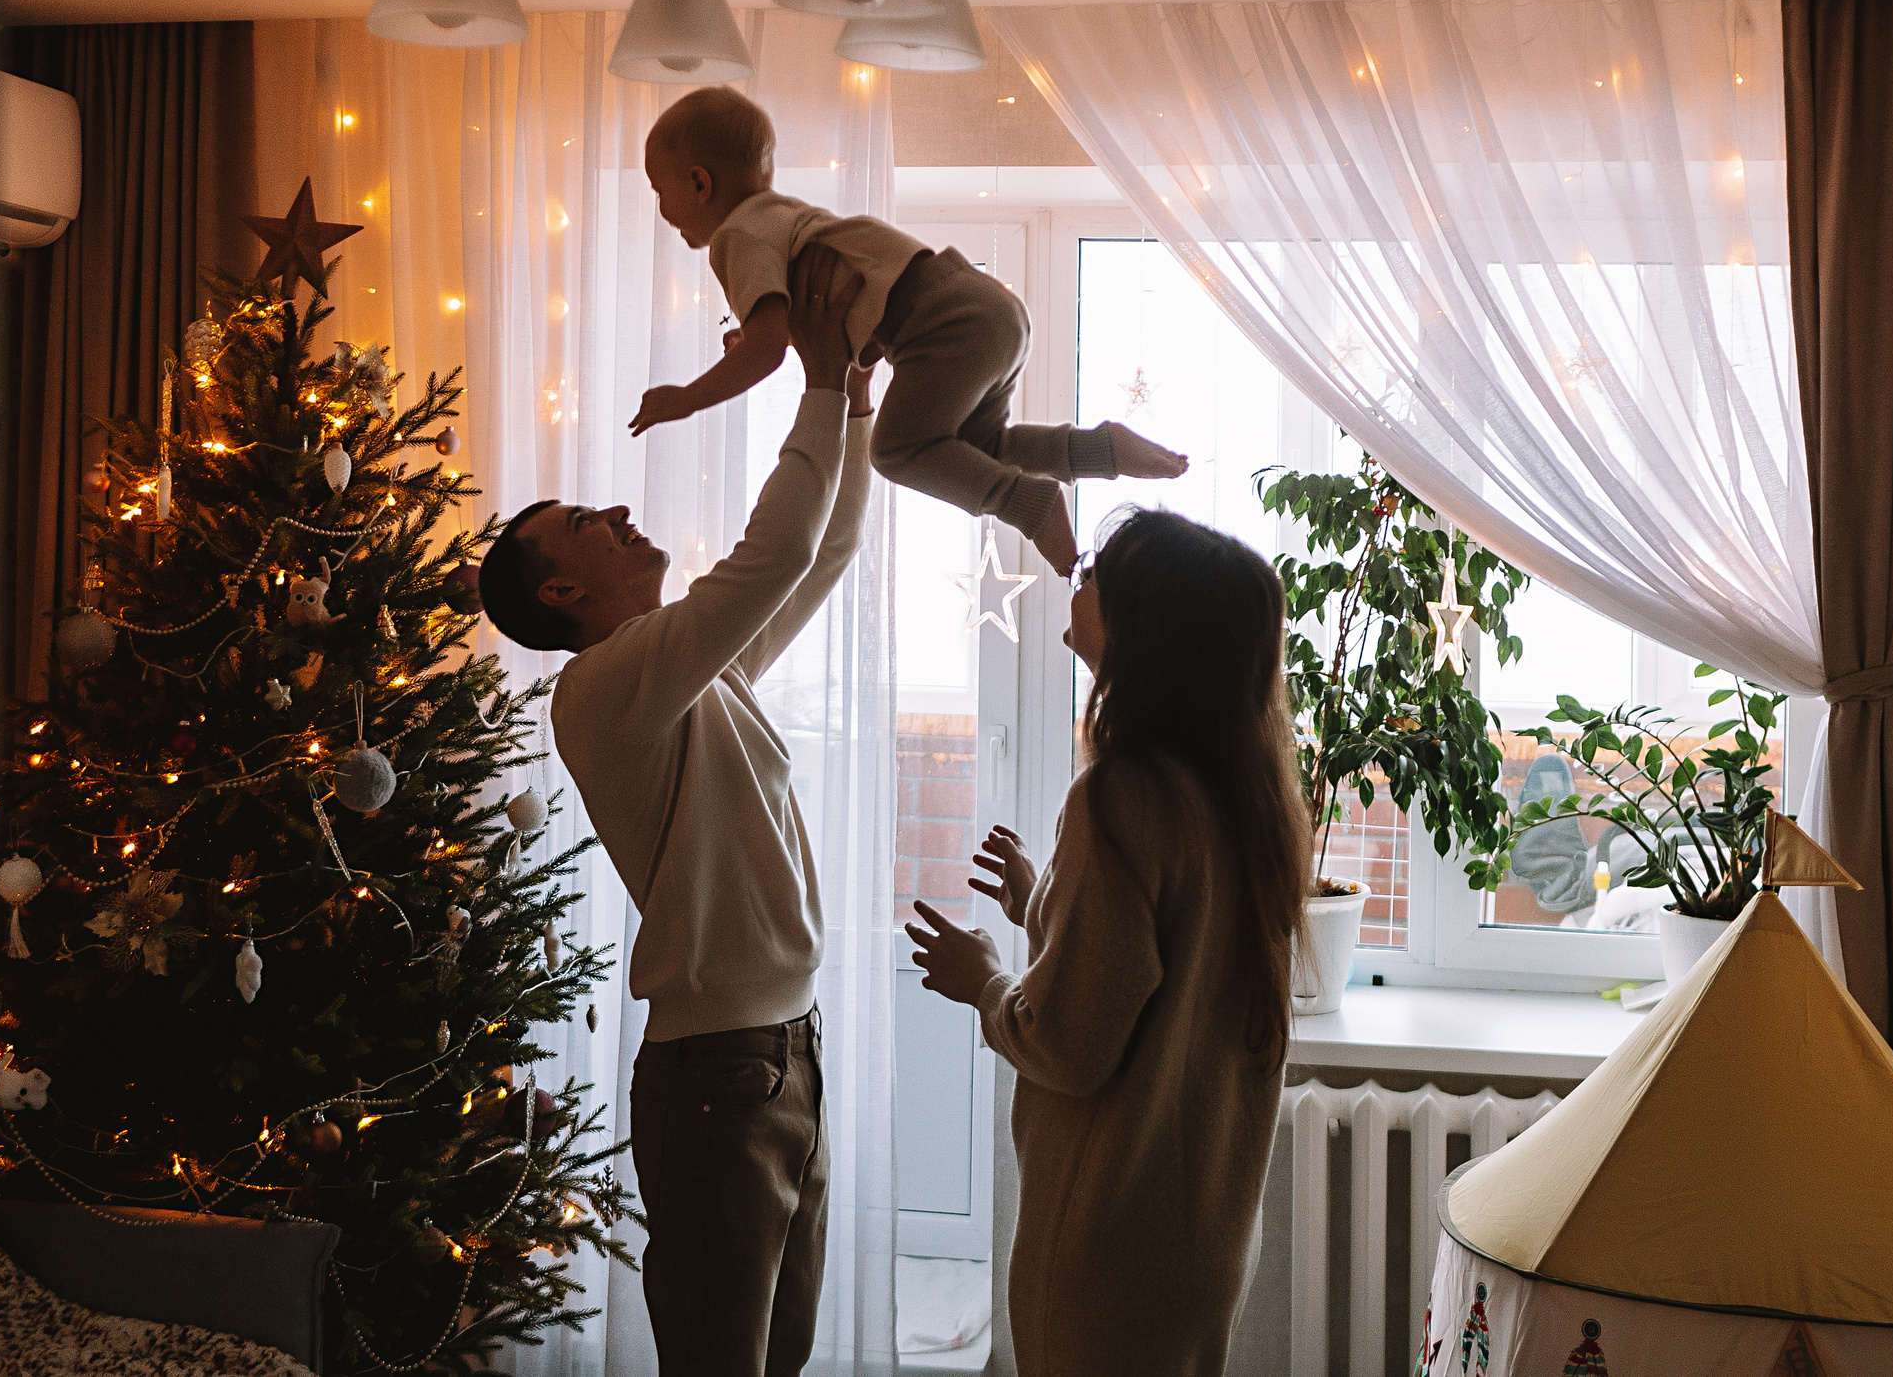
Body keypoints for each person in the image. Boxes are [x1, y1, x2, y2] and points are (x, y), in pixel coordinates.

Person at [478, 247, 873, 1377]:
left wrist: (851, 401)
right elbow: (777, 550)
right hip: (719, 1075)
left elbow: (823, 548)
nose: (616, 511)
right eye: (588, 522)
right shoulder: (604, 686)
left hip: (782, 1050)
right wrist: (817, 379)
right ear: (562, 591)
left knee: (774, 1358)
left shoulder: (696, 671)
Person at [904, 510, 1312, 1375]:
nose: (1074, 573)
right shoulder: (1246, 800)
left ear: (1146, 622)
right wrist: (1043, 900)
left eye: (1095, 567)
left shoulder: (1119, 796)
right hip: (1195, 1243)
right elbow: (1162, 970)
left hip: (1105, 1250)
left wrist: (984, 980)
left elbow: (1073, 1043)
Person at [624, 84, 1187, 574]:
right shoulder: (781, 214)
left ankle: (1029, 505)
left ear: (700, 183)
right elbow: (790, 322)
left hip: (939, 326)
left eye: (660, 191)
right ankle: (1099, 450)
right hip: (985, 308)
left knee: (895, 451)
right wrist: (754, 338)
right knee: (977, 448)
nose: (662, 209)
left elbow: (770, 348)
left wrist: (686, 398)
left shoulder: (737, 236)